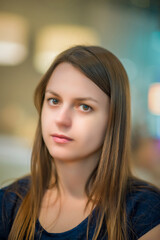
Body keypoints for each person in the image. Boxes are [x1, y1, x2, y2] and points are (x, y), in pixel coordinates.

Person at [0, 45, 160, 240]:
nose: (61, 119)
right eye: (54, 101)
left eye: (84, 106)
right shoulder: (8, 203)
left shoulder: (144, 211)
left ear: (113, 119)